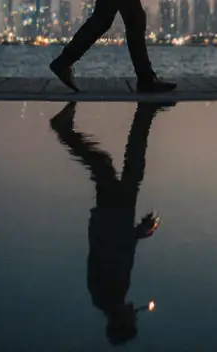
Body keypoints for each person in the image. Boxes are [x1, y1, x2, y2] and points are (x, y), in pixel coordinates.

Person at [49, 101, 168, 345]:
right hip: (113, 220)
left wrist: (137, 232)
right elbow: (116, 252)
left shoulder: (108, 294)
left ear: (121, 321)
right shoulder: (108, 296)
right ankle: (143, 114)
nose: (135, 313)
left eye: (132, 319)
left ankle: (143, 114)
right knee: (113, 166)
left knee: (117, 166)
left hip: (113, 218)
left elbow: (110, 251)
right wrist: (138, 233)